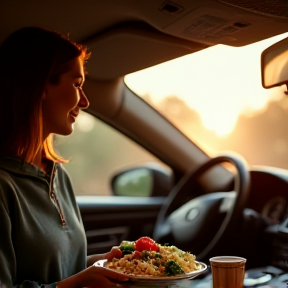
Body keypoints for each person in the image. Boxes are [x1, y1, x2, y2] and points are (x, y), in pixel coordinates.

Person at [0, 27, 128, 288]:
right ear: (40, 85)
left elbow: (55, 271)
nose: (85, 102)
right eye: (77, 84)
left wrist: (98, 267)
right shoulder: (3, 185)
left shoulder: (58, 176)